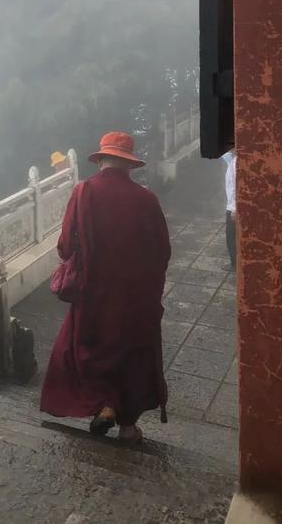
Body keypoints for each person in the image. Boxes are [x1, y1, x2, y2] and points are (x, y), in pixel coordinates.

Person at [40, 131, 171, 443]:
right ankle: (128, 427)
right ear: (128, 164)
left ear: (101, 159)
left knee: (90, 349)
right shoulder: (146, 199)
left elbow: (65, 246)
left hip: (94, 292)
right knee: (133, 353)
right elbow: (162, 251)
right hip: (136, 295)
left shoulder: (84, 191)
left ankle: (105, 404)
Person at [222, 149, 236, 269]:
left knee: (231, 236)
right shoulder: (232, 161)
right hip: (231, 205)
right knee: (231, 236)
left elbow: (236, 188)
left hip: (233, 208)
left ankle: (235, 263)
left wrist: (234, 209)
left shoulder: (236, 164)